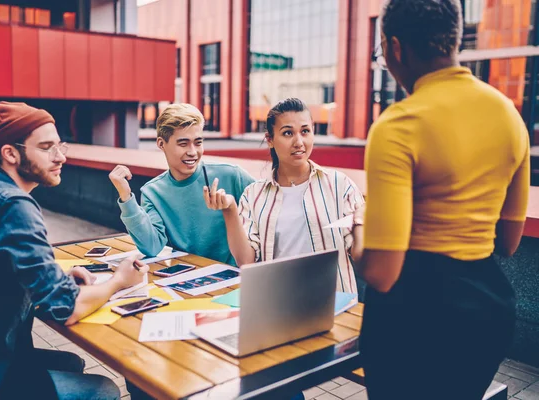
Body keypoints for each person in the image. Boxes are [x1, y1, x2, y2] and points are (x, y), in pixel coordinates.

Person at [359, 1, 529, 399]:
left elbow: (382, 272)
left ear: (395, 47)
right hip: (486, 315)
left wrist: (358, 240)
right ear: (453, 40)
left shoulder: (398, 126)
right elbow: (507, 243)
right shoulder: (508, 114)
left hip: (413, 320)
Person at [0, 102, 149, 400]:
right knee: (103, 390)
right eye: (47, 147)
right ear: (10, 153)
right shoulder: (15, 206)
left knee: (73, 361)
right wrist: (119, 280)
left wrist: (59, 274)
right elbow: (66, 309)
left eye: (60, 145)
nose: (61, 156)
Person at [204, 98, 365, 294]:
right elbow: (246, 261)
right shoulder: (253, 195)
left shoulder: (340, 185)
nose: (299, 142)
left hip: (334, 302)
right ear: (270, 139)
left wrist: (362, 220)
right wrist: (230, 210)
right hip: (277, 303)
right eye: (288, 133)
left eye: (305, 131)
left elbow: (360, 255)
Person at [109, 103, 254, 265]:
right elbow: (151, 247)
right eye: (183, 143)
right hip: (187, 280)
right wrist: (126, 197)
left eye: (198, 143)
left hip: (236, 277)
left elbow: (268, 214)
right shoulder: (153, 192)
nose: (192, 152)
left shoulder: (232, 175)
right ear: (161, 144)